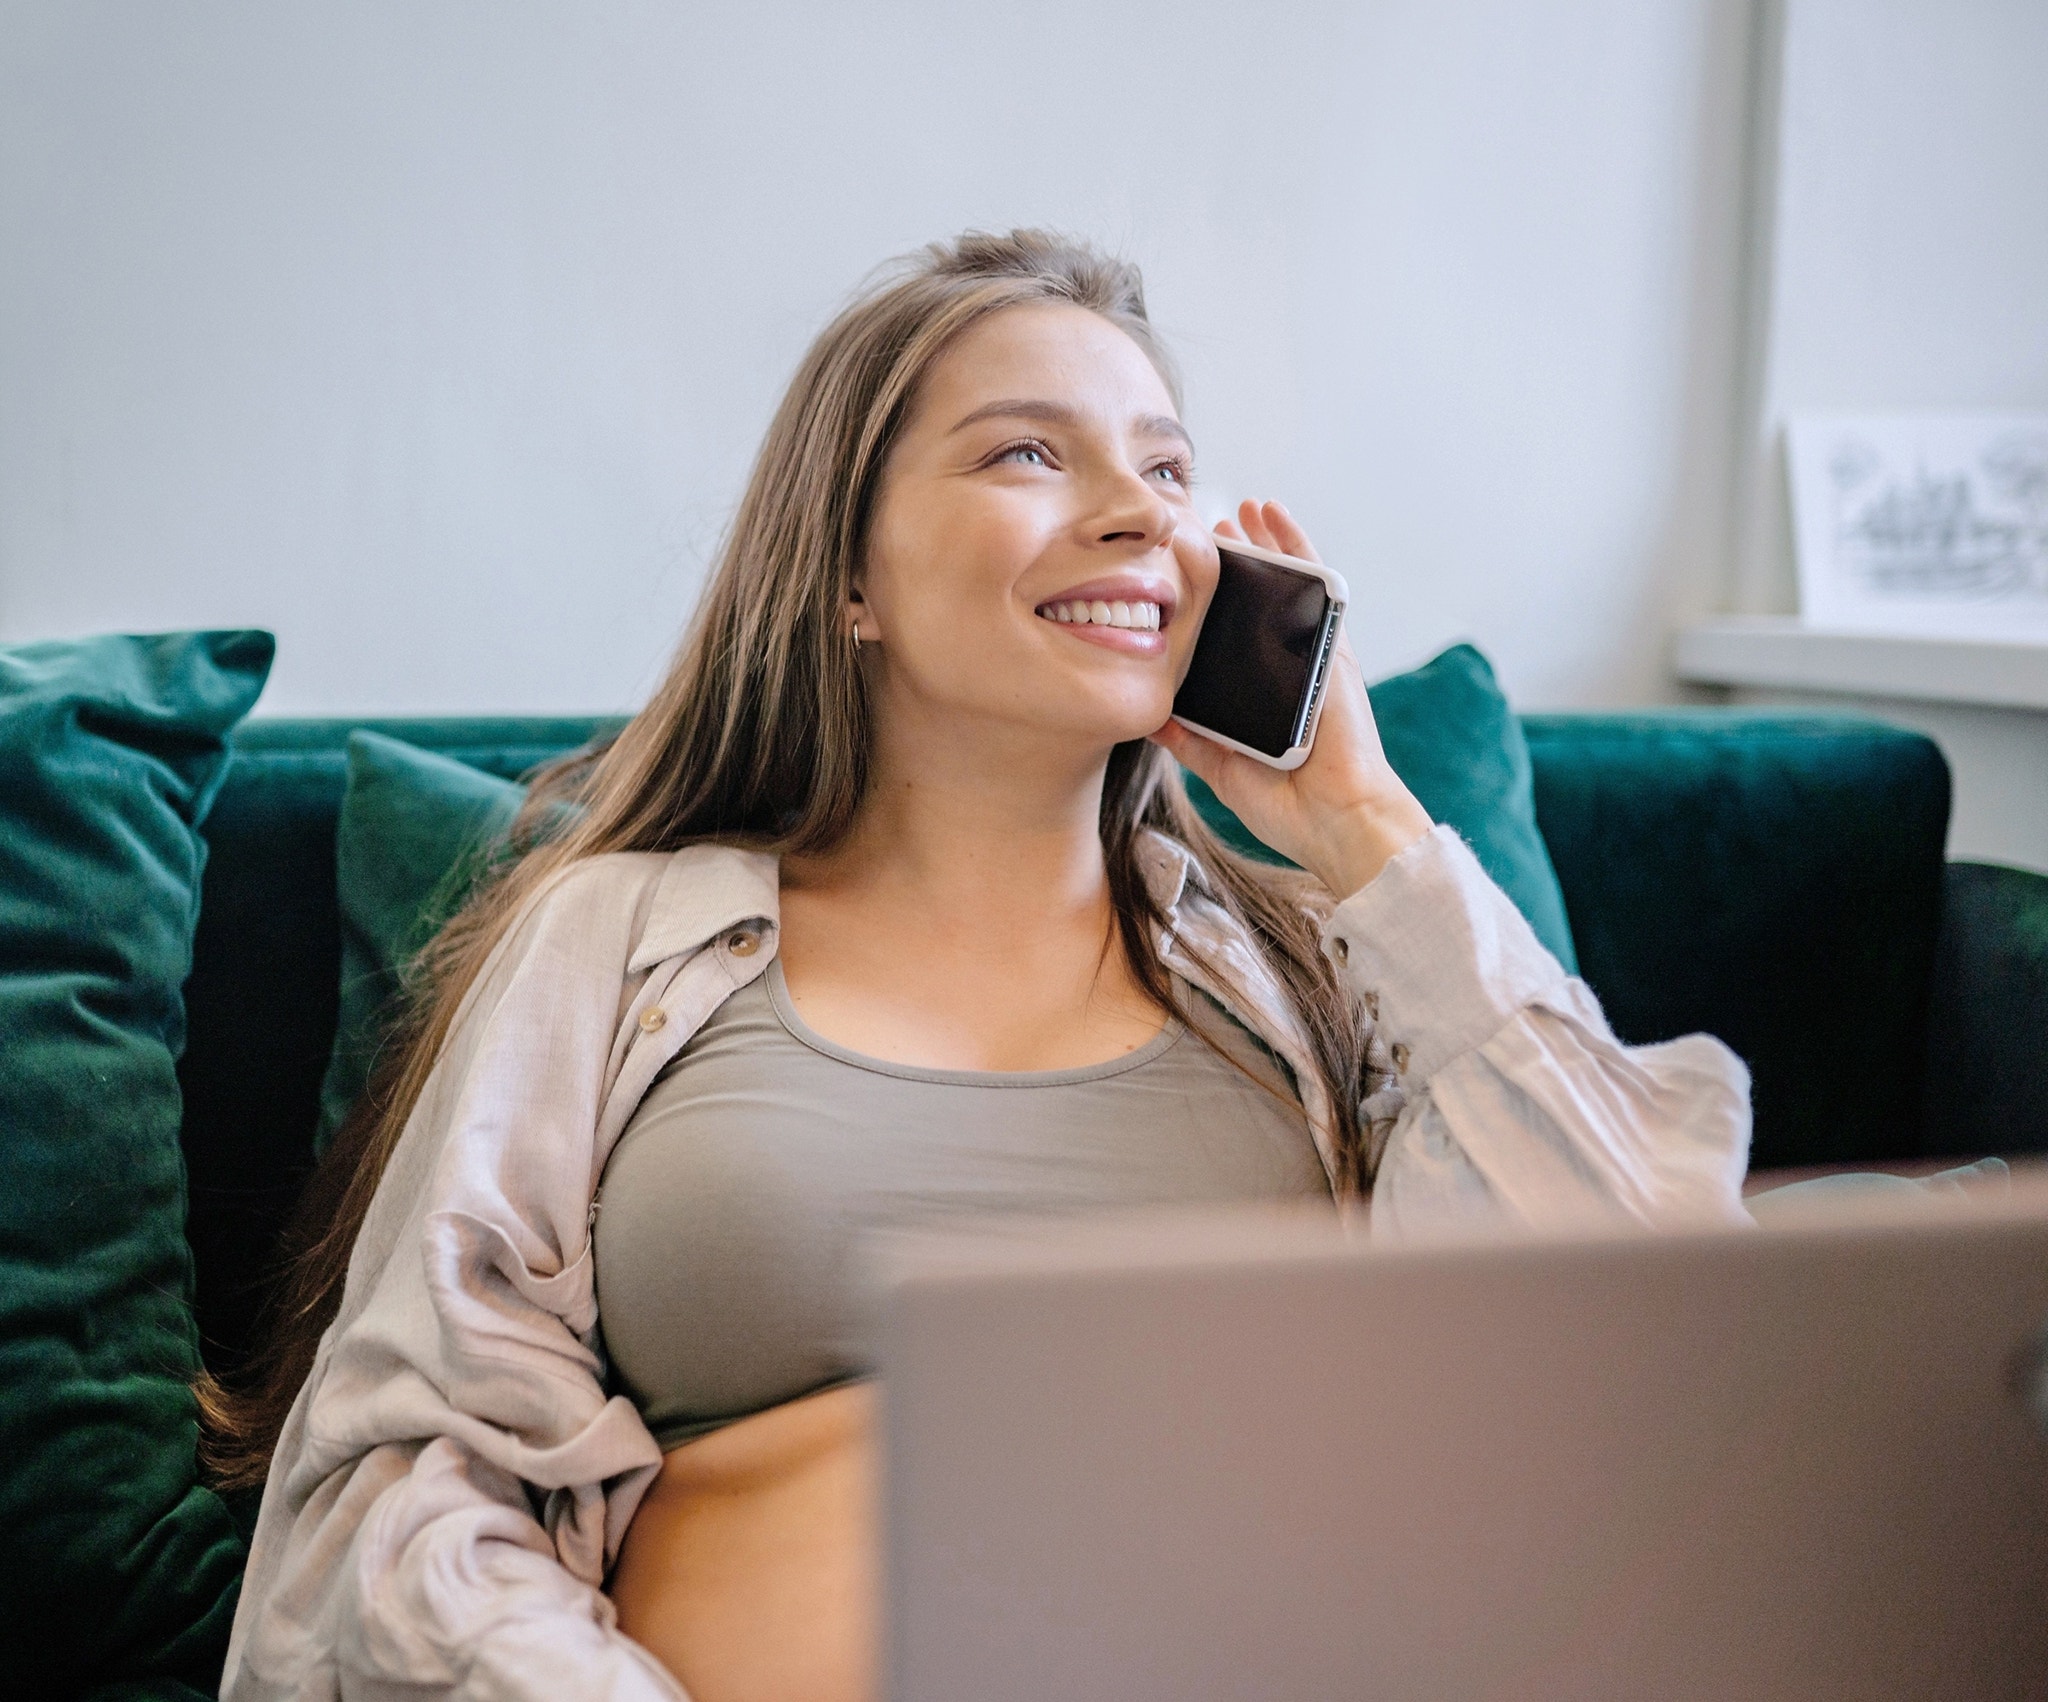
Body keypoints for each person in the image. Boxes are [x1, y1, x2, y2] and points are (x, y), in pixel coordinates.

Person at [208, 230, 1751, 1702]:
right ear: (847, 580)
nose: (1143, 512)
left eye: (1166, 467)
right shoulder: (616, 938)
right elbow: (406, 1476)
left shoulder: (1320, 980)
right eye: (1030, 452)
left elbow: (1642, 1363)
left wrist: (1356, 820)